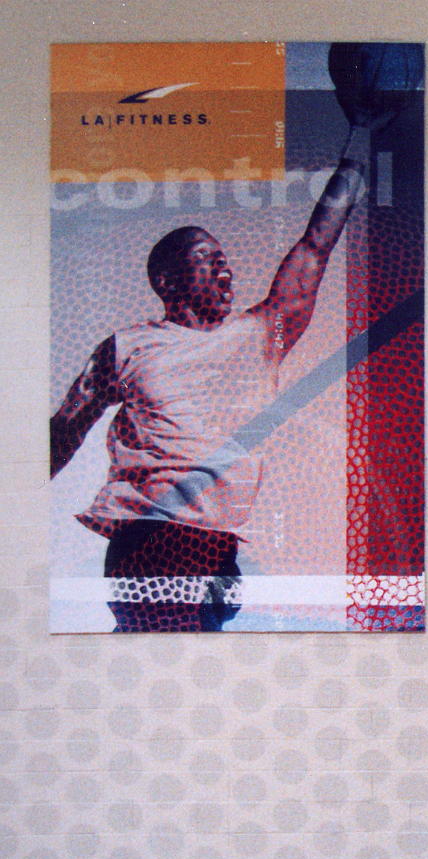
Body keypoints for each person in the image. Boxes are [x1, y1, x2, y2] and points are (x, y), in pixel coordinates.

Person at [50, 155, 365, 632]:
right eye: (208, 258)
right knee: (173, 648)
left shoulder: (259, 333)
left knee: (175, 650)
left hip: (220, 545)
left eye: (226, 260)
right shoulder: (129, 347)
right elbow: (63, 430)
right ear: (167, 280)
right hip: (154, 536)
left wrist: (358, 149)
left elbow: (315, 247)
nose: (226, 268)